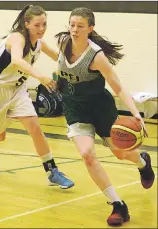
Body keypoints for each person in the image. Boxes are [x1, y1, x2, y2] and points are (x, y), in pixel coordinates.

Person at [55, 7, 155, 226]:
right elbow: (45, 52)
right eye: (72, 24)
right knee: (87, 154)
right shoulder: (62, 42)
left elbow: (118, 87)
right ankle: (118, 205)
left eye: (80, 26)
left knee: (121, 153)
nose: (74, 29)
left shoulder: (96, 56)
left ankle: (142, 162)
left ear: (90, 29)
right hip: (74, 108)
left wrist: (136, 113)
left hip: (100, 107)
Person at [0, 5, 74, 189]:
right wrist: (40, 76)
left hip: (18, 90)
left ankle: (52, 171)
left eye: (44, 24)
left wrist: (78, 66)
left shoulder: (40, 43)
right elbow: (17, 61)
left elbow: (61, 59)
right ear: (27, 24)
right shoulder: (17, 38)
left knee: (35, 127)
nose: (42, 28)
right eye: (37, 25)